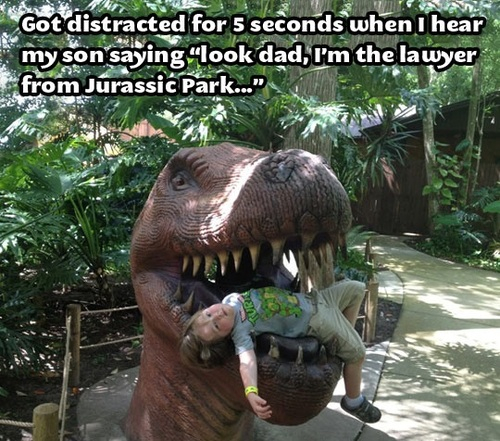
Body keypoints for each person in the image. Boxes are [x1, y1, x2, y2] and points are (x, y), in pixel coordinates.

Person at [179, 280, 381, 424]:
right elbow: (247, 362)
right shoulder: (240, 332)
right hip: (316, 320)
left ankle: (342, 340)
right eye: (216, 326)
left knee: (357, 288)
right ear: (224, 337)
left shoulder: (230, 299)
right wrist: (251, 392)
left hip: (315, 299)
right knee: (358, 354)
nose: (216, 316)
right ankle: (353, 400)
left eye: (208, 314)